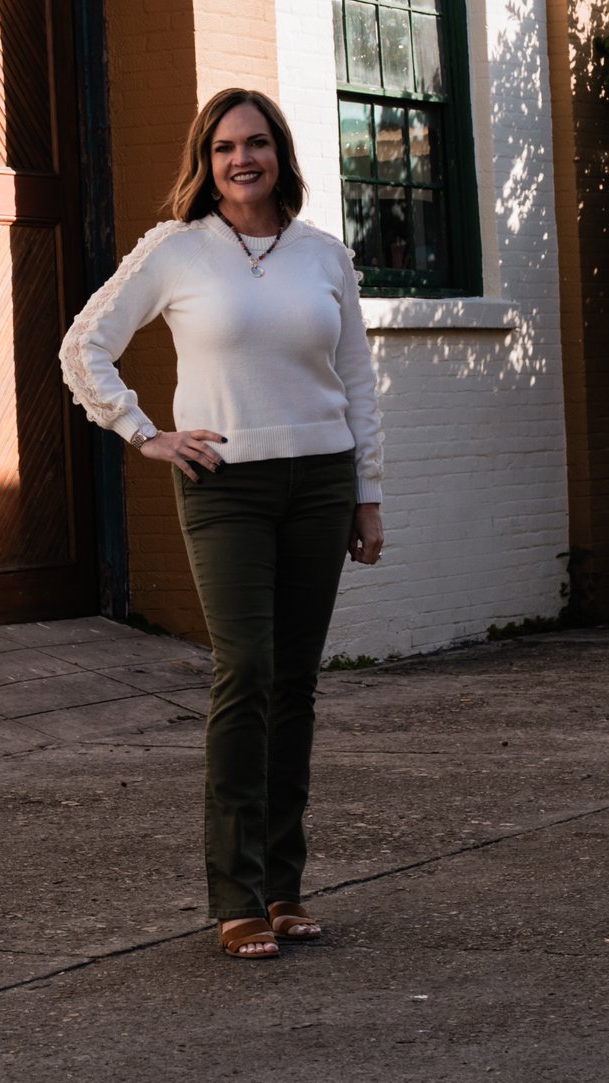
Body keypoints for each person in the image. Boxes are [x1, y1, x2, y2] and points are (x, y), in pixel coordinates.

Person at [59, 87, 385, 961]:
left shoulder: (323, 256)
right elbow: (83, 344)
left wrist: (368, 493)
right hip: (225, 482)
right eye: (223, 147)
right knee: (246, 671)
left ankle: (285, 886)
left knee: (296, 685)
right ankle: (235, 894)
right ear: (205, 163)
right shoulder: (176, 252)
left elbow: (356, 378)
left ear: (281, 153)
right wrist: (144, 432)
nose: (242, 159)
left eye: (257, 143)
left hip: (320, 481)